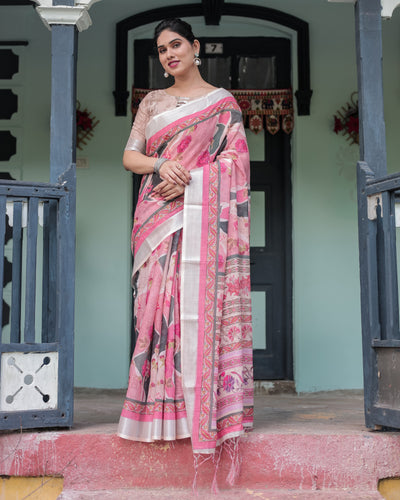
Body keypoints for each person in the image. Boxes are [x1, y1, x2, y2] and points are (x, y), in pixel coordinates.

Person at [118, 18, 253, 468]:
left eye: (176, 45)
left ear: (195, 47)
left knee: (194, 306)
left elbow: (235, 163)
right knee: (154, 308)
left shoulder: (223, 104)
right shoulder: (153, 101)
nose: (169, 54)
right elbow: (129, 156)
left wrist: (194, 179)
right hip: (156, 217)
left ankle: (198, 408)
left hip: (198, 218)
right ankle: (156, 408)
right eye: (161, 50)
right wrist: (160, 165)